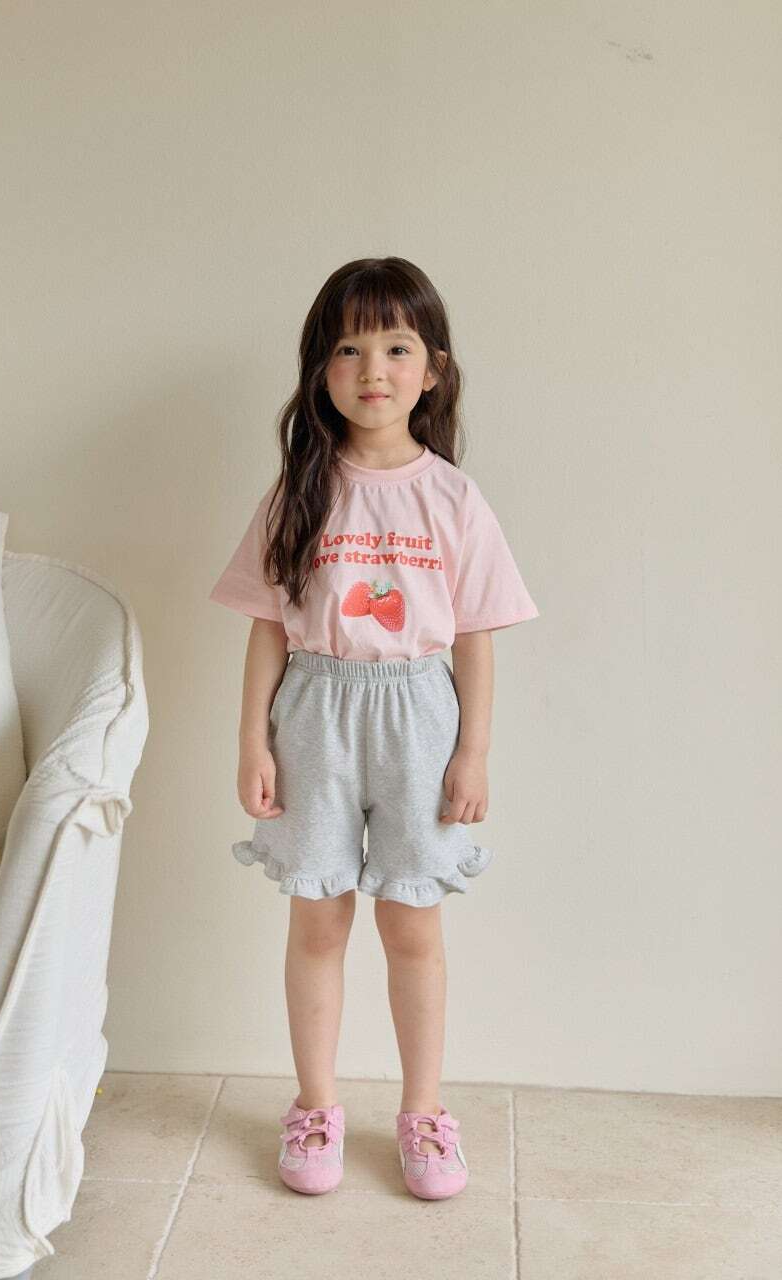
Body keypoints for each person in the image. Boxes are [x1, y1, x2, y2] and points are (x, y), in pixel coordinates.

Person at [208, 256, 539, 1199]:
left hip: (419, 718)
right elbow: (267, 625)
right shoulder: (299, 490)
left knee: (413, 927)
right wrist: (252, 740)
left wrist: (473, 751)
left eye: (396, 347)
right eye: (349, 349)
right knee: (318, 920)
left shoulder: (454, 497)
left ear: (432, 371)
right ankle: (315, 1105)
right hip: (314, 713)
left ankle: (424, 1112)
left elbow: (474, 635)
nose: (373, 369)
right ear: (322, 368)